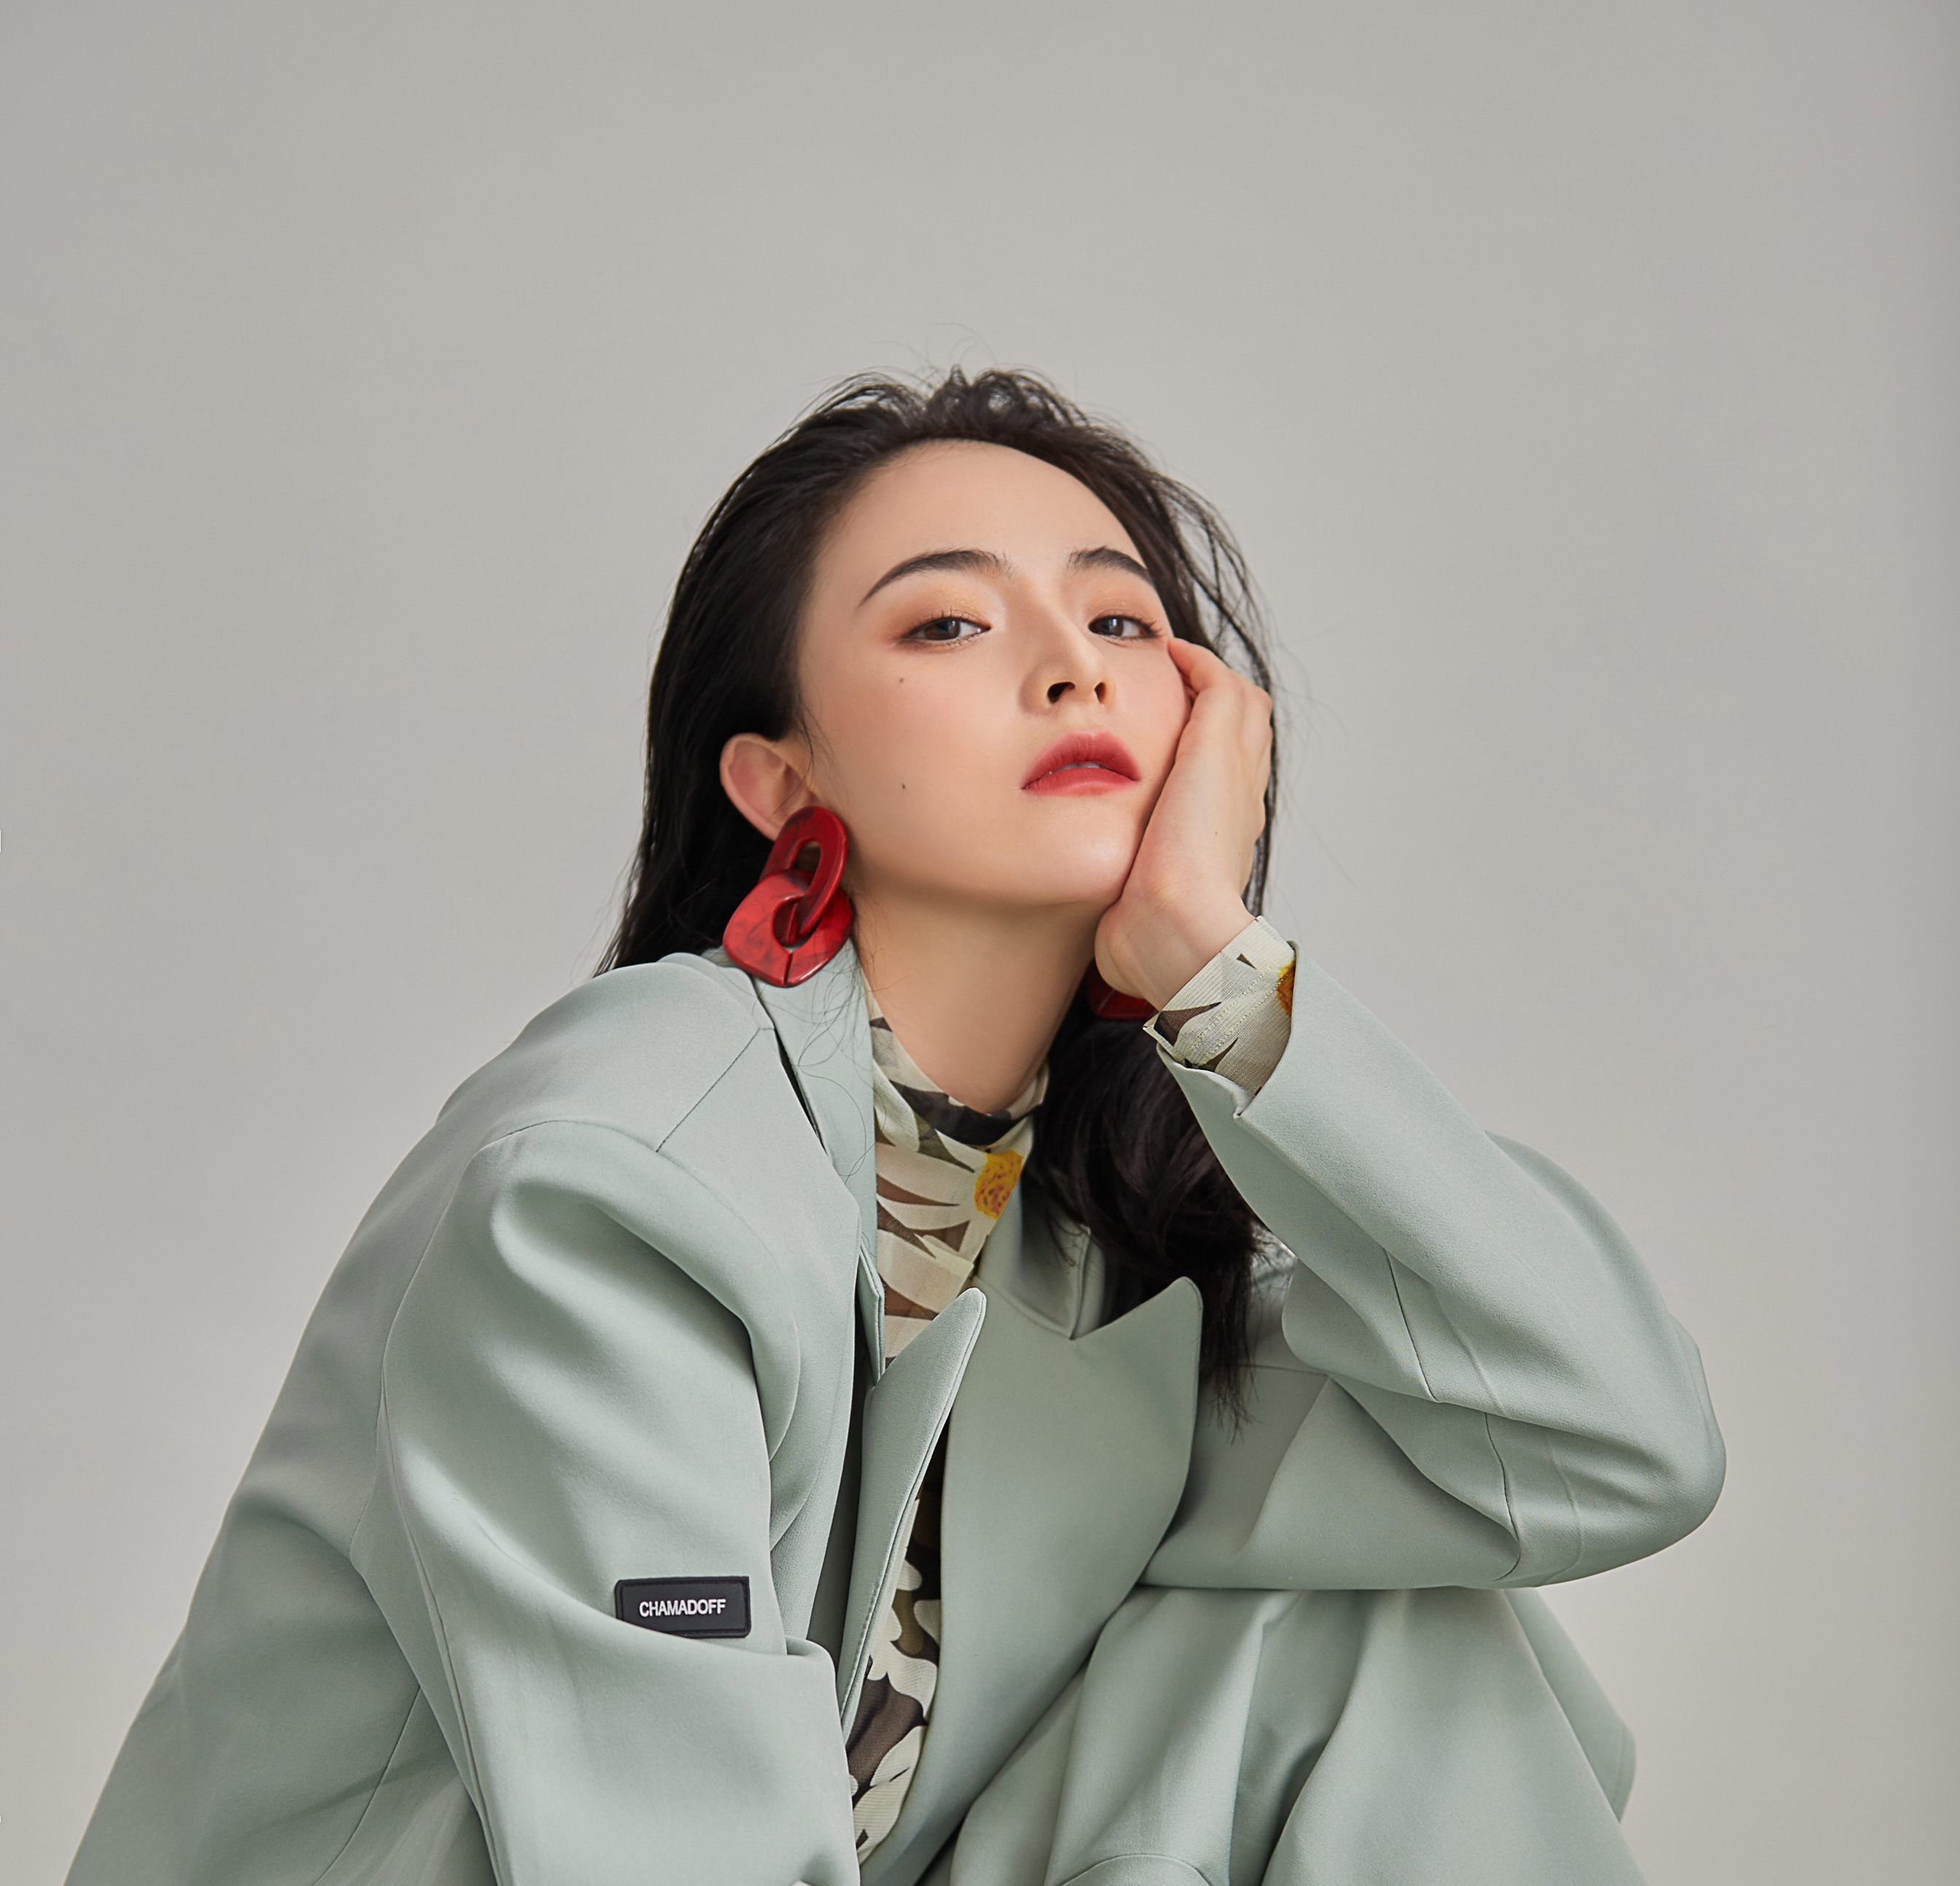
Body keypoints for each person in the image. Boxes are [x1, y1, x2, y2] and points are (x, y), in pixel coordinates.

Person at [66, 369, 1725, 1886]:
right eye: (948, 624)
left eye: (1123, 621)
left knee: (1387, 1641)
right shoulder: (613, 1181)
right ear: (782, 782)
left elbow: (1610, 1451)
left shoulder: (1095, 1247)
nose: (1073, 666)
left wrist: (1222, 970)